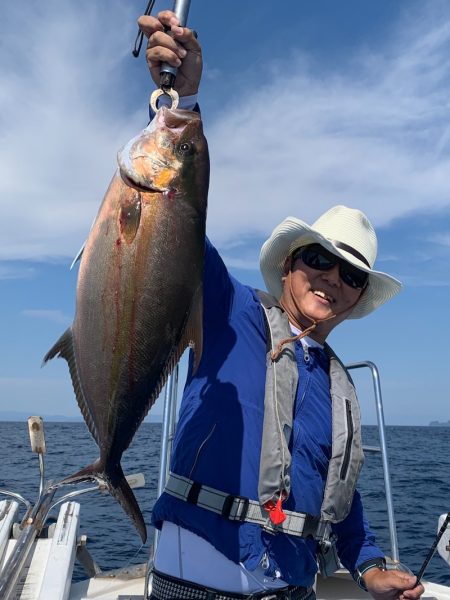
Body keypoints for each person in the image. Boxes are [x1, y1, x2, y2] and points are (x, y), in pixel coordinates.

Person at [138, 11, 424, 600]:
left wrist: (368, 565)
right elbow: (173, 218)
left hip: (291, 589)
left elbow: (336, 494)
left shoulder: (340, 387)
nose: (331, 279)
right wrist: (181, 102)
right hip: (197, 579)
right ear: (289, 263)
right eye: (319, 259)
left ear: (358, 297)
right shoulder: (229, 310)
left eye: (350, 274)